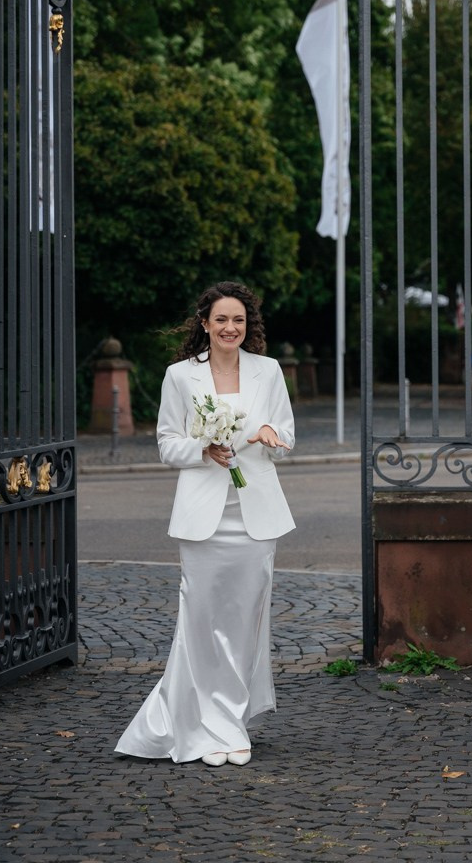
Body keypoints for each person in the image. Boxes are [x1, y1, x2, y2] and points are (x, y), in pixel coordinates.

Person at [115, 280, 296, 766]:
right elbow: (166, 444)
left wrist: (265, 434)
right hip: (203, 518)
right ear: (205, 324)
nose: (230, 328)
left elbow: (288, 434)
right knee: (200, 619)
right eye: (221, 320)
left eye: (238, 320)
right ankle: (201, 725)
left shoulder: (269, 371)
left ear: (247, 325)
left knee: (245, 621)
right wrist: (203, 448)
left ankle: (230, 722)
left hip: (255, 515)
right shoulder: (180, 376)